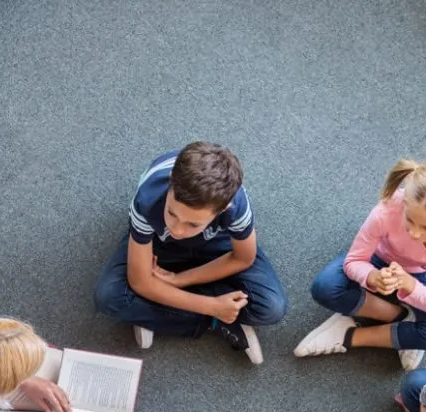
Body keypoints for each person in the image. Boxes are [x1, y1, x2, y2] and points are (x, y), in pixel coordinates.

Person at [92, 142, 288, 365]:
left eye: (192, 224)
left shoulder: (236, 205)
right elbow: (140, 282)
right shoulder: (147, 200)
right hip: (159, 244)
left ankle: (156, 310)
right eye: (172, 213)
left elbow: (243, 258)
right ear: (170, 187)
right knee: (108, 296)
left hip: (217, 243)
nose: (177, 230)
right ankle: (217, 320)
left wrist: (177, 280)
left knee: (271, 307)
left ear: (223, 210)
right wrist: (212, 307)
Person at [294, 158, 426, 371]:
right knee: (325, 287)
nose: (415, 233)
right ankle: (401, 319)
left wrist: (410, 286)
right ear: (404, 202)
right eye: (410, 220)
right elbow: (355, 261)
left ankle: (350, 336)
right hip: (379, 258)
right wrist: (371, 276)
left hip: (423, 275)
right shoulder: (387, 209)